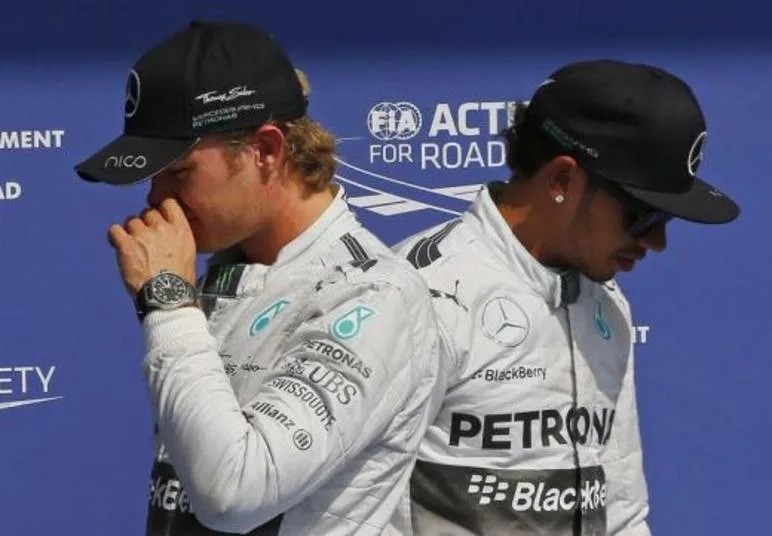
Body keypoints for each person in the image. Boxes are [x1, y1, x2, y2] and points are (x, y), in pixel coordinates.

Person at [74, 20, 446, 536]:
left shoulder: (371, 295)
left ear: (266, 151)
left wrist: (167, 302)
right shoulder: (228, 273)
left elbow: (235, 494)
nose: (155, 199)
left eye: (178, 172)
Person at [394, 59, 740, 536]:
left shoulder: (606, 303)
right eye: (642, 215)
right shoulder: (412, 294)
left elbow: (621, 512)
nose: (657, 243)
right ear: (561, 180)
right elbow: (351, 514)